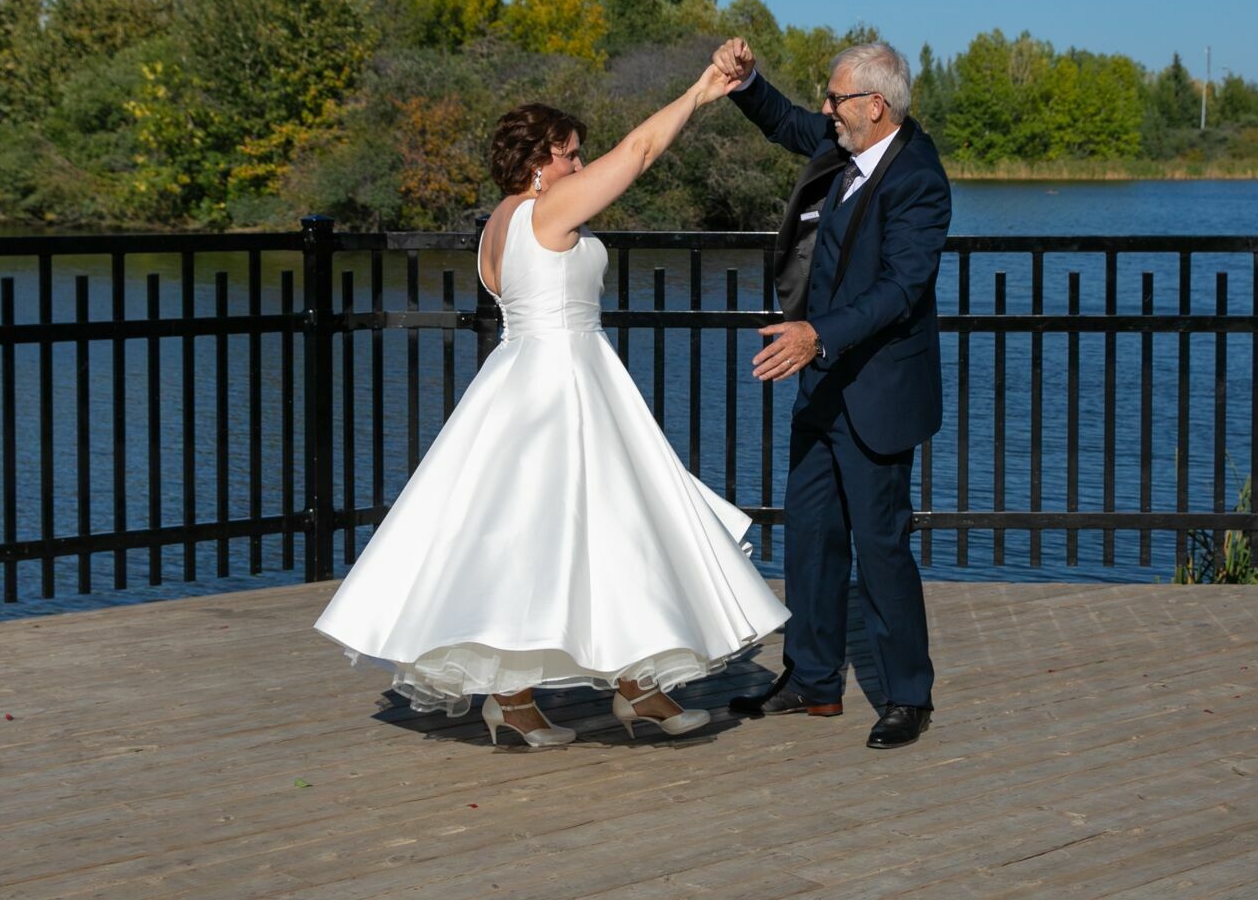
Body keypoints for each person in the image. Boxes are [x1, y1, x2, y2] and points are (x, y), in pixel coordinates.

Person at [315, 65, 790, 747]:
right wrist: (699, 93)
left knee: (578, 533)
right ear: (541, 162)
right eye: (571, 152)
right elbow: (640, 153)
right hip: (563, 384)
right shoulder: (546, 210)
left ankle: (627, 688)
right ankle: (530, 700)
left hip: (523, 379)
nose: (580, 162)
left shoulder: (496, 227)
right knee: (567, 535)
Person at [714, 37, 950, 749]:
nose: (826, 110)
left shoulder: (919, 180)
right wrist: (748, 81)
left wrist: (818, 333)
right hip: (822, 384)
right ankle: (813, 682)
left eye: (837, 99)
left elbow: (901, 290)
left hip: (876, 389)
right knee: (813, 536)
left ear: (876, 105)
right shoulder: (846, 144)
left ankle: (908, 695)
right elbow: (788, 122)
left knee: (880, 548)